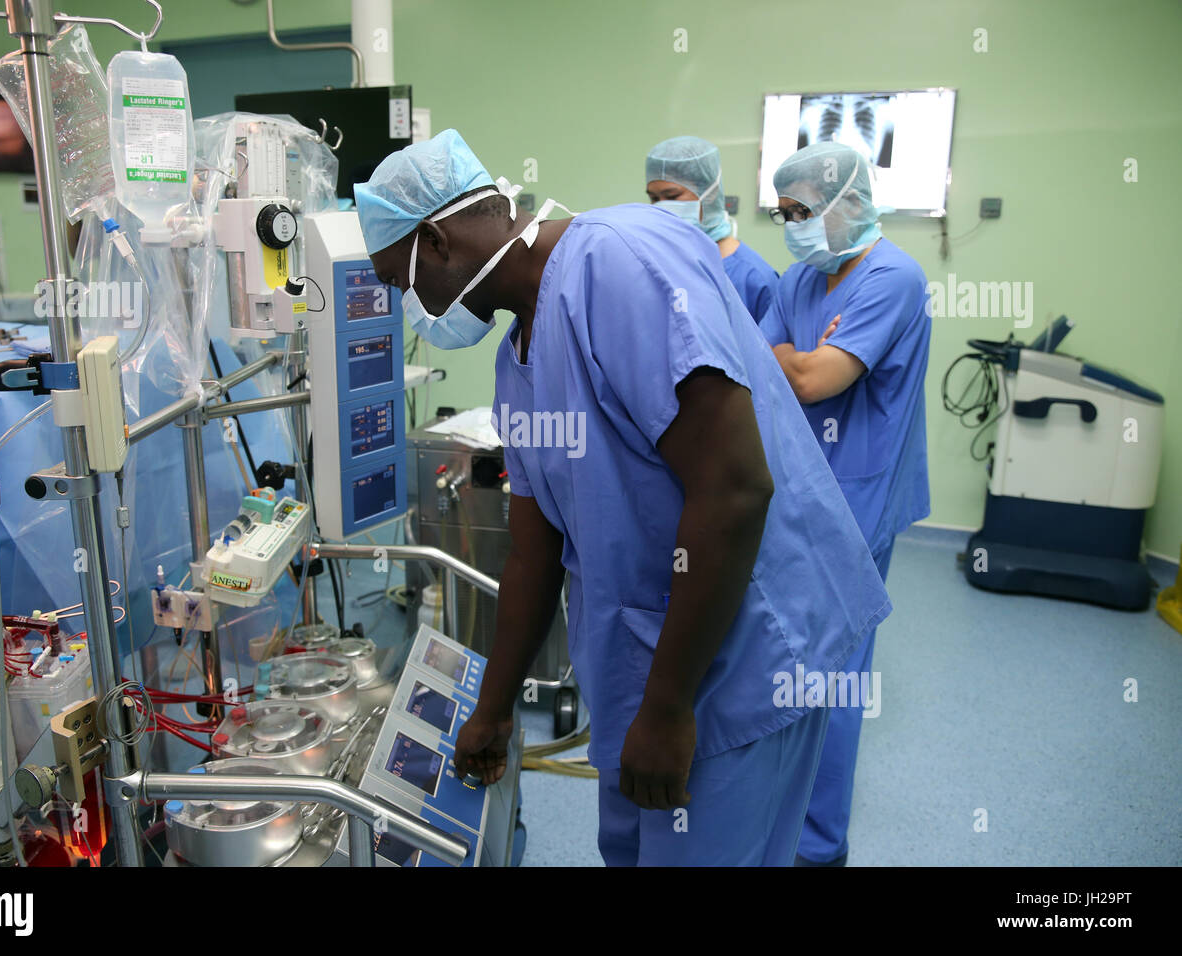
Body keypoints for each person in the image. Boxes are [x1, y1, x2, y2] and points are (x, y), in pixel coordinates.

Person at [355, 129, 890, 866]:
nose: (408, 307)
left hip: (743, 662)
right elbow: (534, 550)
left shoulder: (618, 262)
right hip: (647, 673)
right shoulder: (520, 358)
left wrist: (669, 710)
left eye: (396, 283)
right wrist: (495, 709)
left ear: (439, 243)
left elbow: (734, 489)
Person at [759, 141, 931, 866]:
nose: (792, 225)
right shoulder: (801, 277)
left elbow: (805, 381)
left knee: (834, 674)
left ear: (849, 205)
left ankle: (819, 846)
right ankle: (775, 809)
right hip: (802, 491)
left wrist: (801, 362)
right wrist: (799, 360)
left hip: (861, 495)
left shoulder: (895, 277)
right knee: (787, 659)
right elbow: (765, 363)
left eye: (804, 211)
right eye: (785, 212)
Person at [645, 135, 778, 321]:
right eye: (654, 198)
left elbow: (768, 347)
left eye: (672, 197)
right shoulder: (660, 264)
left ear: (709, 195)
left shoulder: (753, 277)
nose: (661, 207)